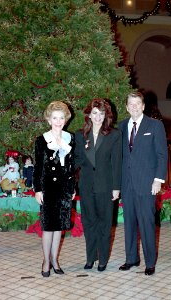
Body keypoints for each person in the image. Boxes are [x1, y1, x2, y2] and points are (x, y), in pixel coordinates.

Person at [118, 91, 168, 276]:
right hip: (127, 183)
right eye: (131, 104)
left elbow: (162, 155)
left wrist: (158, 180)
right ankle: (131, 258)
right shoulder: (121, 126)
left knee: (147, 222)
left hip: (147, 183)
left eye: (137, 103)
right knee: (129, 222)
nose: (134, 107)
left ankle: (150, 262)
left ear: (143, 106)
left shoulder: (155, 125)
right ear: (126, 107)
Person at [75, 98, 122, 272]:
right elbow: (77, 160)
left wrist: (116, 187)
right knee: (89, 223)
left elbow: (117, 163)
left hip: (106, 186)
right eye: (95, 113)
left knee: (104, 224)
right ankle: (90, 257)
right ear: (89, 114)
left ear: (106, 115)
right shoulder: (80, 135)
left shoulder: (114, 135)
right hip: (86, 186)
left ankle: (102, 259)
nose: (98, 117)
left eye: (101, 113)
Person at [33, 101, 75, 277]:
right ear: (49, 119)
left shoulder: (70, 138)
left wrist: (72, 188)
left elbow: (71, 167)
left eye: (61, 117)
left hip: (64, 189)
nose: (58, 121)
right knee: (48, 227)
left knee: (59, 227)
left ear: (65, 119)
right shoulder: (42, 140)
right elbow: (37, 167)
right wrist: (37, 189)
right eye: (55, 117)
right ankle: (46, 260)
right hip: (48, 189)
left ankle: (55, 259)